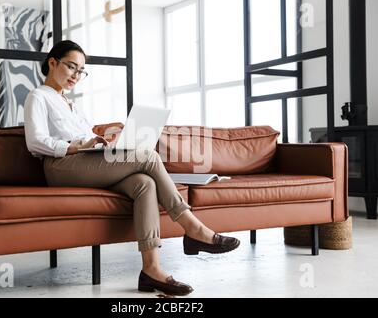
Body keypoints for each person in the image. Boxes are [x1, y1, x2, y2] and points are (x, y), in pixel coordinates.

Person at [24, 40, 240, 296]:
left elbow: (87, 138)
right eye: (72, 67)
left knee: (144, 184)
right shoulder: (38, 97)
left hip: (86, 162)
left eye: (81, 71)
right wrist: (76, 147)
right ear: (52, 62)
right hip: (61, 166)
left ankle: (151, 270)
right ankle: (193, 228)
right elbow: (35, 142)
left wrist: (104, 144)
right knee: (148, 157)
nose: (76, 75)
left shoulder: (71, 104)